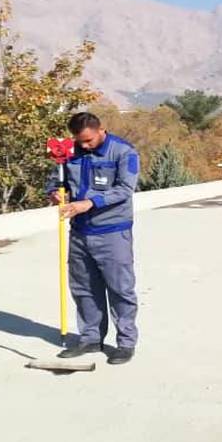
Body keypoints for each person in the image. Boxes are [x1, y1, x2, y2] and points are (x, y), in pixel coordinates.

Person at [50, 112, 140, 365]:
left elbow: (125, 189)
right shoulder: (69, 152)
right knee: (84, 289)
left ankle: (125, 343)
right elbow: (56, 180)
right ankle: (90, 338)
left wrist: (90, 202)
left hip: (112, 232)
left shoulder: (124, 152)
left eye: (89, 140)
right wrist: (55, 193)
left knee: (120, 288)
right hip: (80, 232)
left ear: (101, 130)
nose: (85, 146)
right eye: (80, 141)